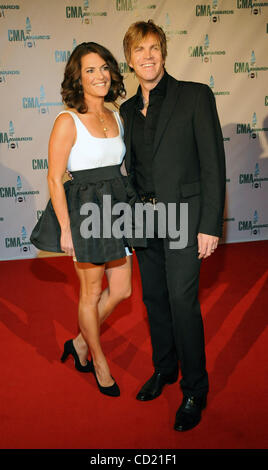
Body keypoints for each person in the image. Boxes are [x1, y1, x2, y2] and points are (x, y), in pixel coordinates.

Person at [120, 20, 226, 430]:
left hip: (185, 218)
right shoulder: (127, 111)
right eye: (139, 50)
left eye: (153, 48)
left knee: (183, 304)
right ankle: (165, 368)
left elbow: (213, 164)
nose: (147, 56)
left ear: (164, 52)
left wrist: (210, 224)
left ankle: (195, 389)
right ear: (129, 60)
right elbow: (127, 170)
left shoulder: (195, 97)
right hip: (144, 218)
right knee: (154, 301)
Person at [31, 42, 141, 397]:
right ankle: (97, 359)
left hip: (116, 206)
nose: (100, 76)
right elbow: (54, 177)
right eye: (90, 70)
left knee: (122, 290)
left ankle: (78, 343)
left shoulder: (116, 114)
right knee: (91, 292)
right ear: (78, 78)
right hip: (84, 210)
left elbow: (121, 167)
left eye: (104, 68)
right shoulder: (67, 120)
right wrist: (66, 228)